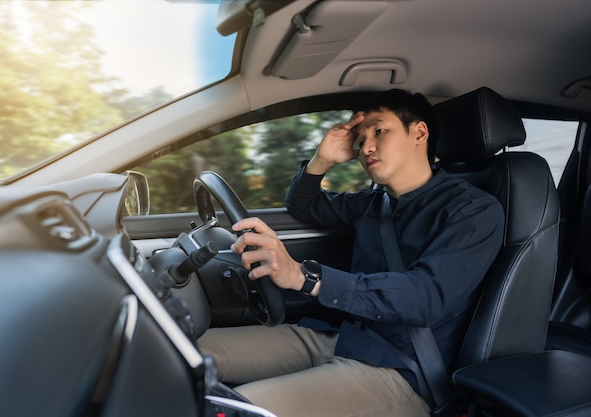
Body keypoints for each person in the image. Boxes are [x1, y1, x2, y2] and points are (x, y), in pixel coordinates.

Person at [198, 89, 505, 417]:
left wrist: (305, 277)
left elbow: (423, 297)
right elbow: (304, 203)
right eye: (360, 140)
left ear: (419, 132)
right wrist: (322, 159)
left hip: (402, 372)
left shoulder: (473, 211)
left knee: (231, 411)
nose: (366, 146)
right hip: (344, 338)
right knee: (185, 351)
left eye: (379, 131)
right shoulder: (373, 204)